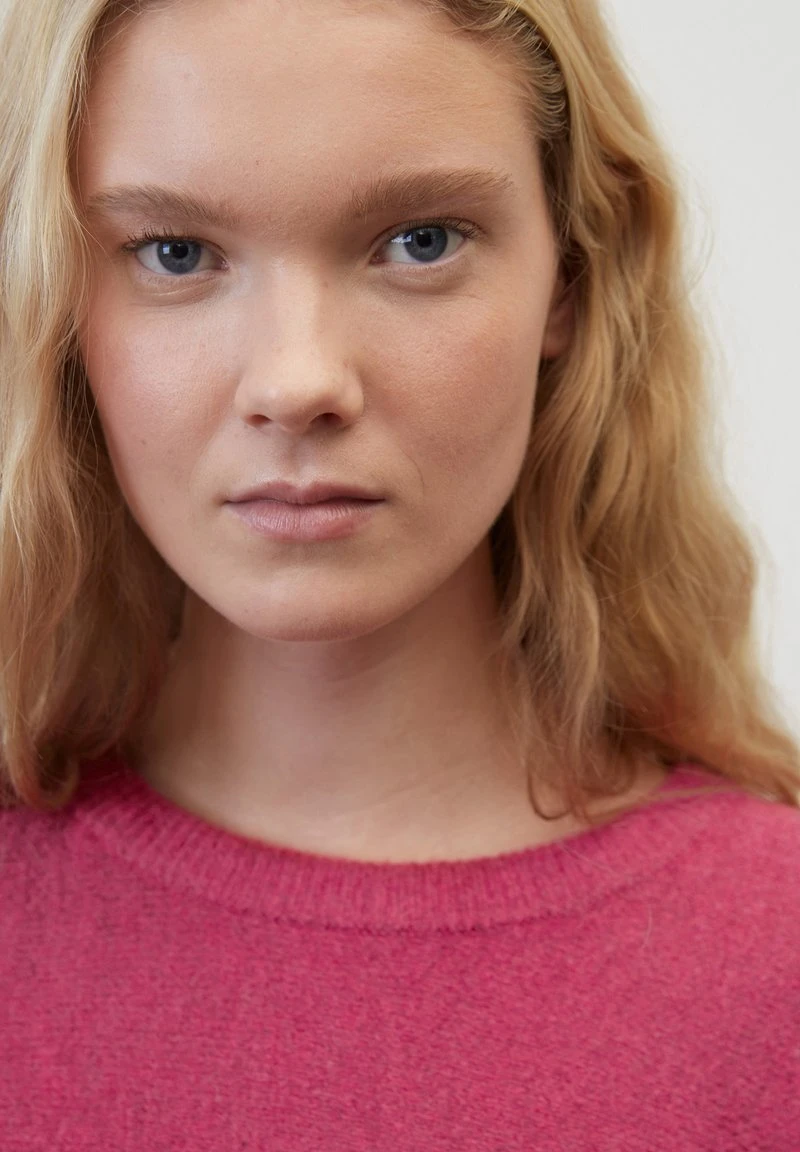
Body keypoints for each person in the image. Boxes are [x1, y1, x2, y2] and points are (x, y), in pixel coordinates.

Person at [1, 0, 798, 1145]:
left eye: (420, 241)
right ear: (51, 297)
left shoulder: (771, 967)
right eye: (175, 253)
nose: (297, 380)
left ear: (569, 277)